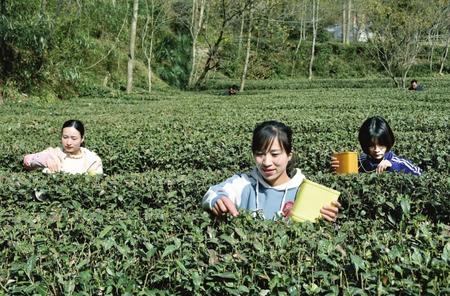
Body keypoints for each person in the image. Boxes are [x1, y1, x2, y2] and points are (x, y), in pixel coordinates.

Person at [202, 120, 341, 221]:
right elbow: (213, 192)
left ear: (289, 155)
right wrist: (217, 199)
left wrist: (327, 220)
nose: (267, 162)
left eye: (275, 154)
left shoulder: (305, 190)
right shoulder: (243, 183)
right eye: (260, 154)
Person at [331, 116, 422, 176]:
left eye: (381, 145)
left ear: (388, 142)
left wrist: (392, 165)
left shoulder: (395, 160)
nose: (376, 150)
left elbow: (419, 173)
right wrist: (339, 167)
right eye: (371, 146)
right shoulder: (361, 161)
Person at [23, 119, 103, 175]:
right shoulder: (55, 153)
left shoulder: (92, 159)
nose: (68, 142)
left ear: (82, 139)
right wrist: (46, 159)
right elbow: (27, 160)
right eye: (65, 137)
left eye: (74, 138)